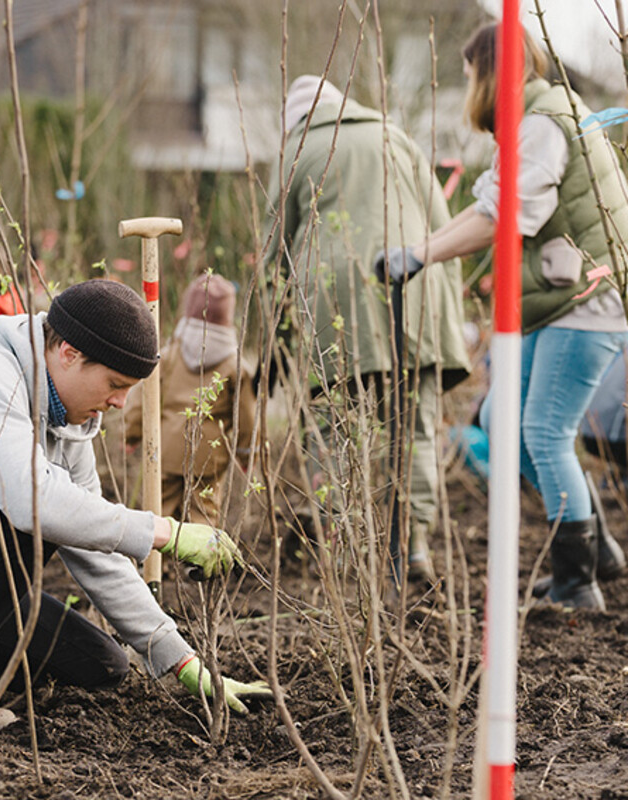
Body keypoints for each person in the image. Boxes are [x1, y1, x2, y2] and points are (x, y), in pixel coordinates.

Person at [0, 279, 271, 731]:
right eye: (116, 384)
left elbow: (93, 544)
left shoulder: (70, 420)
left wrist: (179, 658)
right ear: (68, 353)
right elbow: (28, 502)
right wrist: (165, 533)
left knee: (100, 665)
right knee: (16, 503)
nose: (120, 403)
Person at [375, 24, 628, 610]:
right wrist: (422, 249)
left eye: (468, 77)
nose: (468, 89)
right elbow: (490, 203)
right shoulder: (536, 119)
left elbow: (505, 220)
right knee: (499, 417)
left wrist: (424, 254)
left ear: (488, 73)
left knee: (541, 432)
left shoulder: (542, 125)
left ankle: (577, 581)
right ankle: (598, 550)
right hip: (561, 302)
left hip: (585, 305)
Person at [264, 75, 471, 582]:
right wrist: (446, 311)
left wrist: (276, 336)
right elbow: (445, 225)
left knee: (336, 430)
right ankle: (414, 544)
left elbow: (276, 254)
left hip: (337, 302)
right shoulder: (395, 135)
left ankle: (344, 550)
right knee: (415, 428)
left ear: (295, 119)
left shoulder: (298, 150)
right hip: (416, 293)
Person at [123, 272, 256, 525]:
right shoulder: (236, 365)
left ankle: (156, 562)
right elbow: (247, 417)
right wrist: (246, 454)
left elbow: (144, 398)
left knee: (159, 510)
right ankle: (197, 563)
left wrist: (131, 433)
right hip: (207, 455)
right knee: (203, 513)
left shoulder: (168, 355)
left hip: (165, 447)